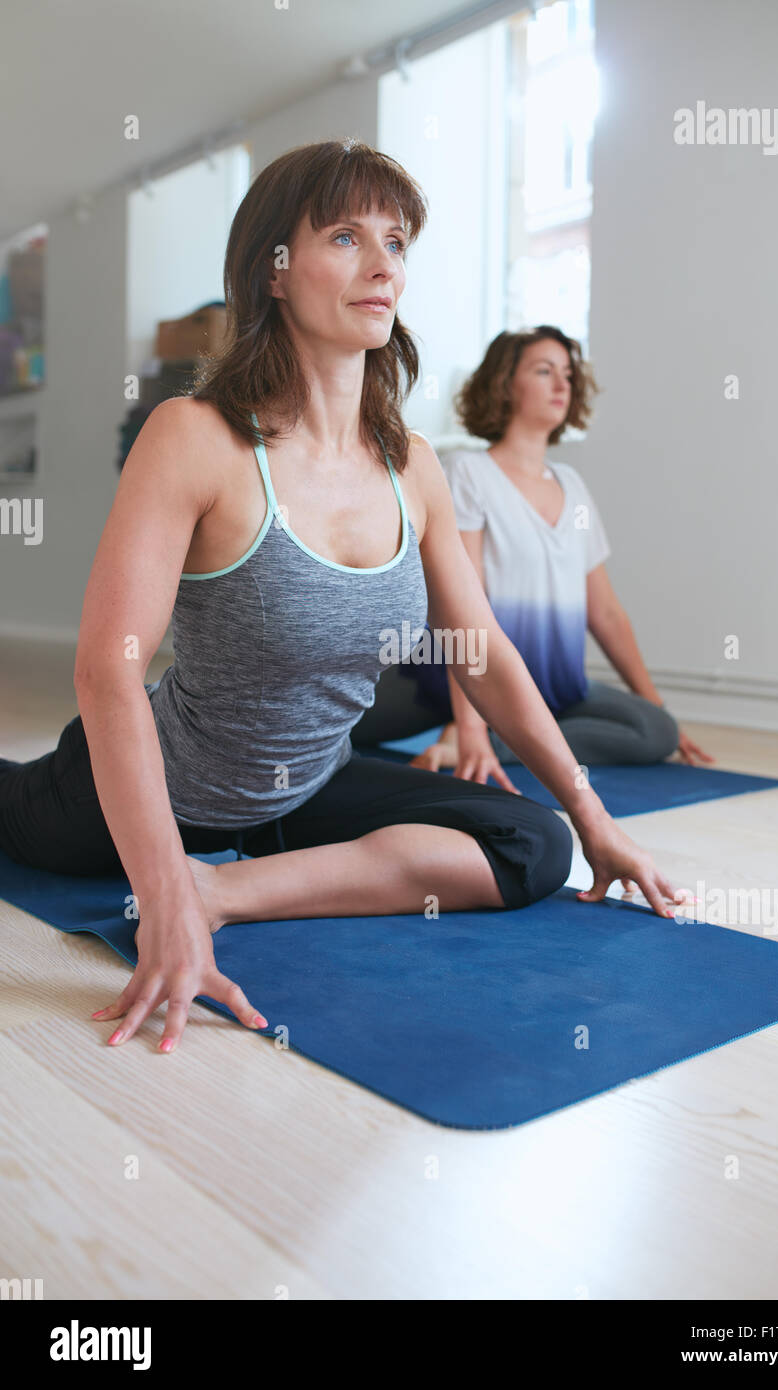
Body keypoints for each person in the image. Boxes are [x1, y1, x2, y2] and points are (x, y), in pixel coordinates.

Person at [0, 139, 679, 1057]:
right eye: (347, 237)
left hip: (307, 786)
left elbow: (479, 653)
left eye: (396, 243)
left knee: (536, 848)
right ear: (274, 271)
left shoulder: (416, 467)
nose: (382, 265)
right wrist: (153, 894)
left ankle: (224, 889)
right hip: (158, 788)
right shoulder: (196, 438)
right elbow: (106, 672)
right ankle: (184, 876)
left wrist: (595, 817)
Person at [351, 326, 713, 789]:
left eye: (567, 373)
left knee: (654, 731)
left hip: (553, 686)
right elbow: (463, 605)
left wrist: (657, 708)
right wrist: (472, 722)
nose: (563, 384)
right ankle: (476, 731)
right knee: (337, 728)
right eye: (544, 371)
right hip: (452, 683)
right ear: (505, 384)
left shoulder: (573, 487)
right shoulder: (469, 472)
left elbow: (604, 612)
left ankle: (502, 743)